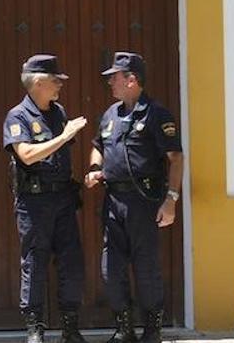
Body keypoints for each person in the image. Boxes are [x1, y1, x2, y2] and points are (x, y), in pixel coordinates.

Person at [84, 52, 183, 343]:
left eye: (114, 77)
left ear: (132, 80)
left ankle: (152, 329)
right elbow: (97, 146)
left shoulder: (157, 114)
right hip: (114, 201)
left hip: (144, 201)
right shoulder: (110, 114)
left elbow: (175, 158)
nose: (110, 83)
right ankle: (124, 327)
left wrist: (171, 199)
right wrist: (94, 168)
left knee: (146, 268)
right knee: (111, 268)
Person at [3, 54, 89, 343]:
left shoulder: (57, 111)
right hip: (34, 203)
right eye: (55, 81)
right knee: (35, 262)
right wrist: (64, 137)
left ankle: (70, 326)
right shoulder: (18, 117)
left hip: (62, 199)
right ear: (38, 83)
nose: (59, 87)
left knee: (71, 262)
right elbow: (26, 154)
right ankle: (35, 328)